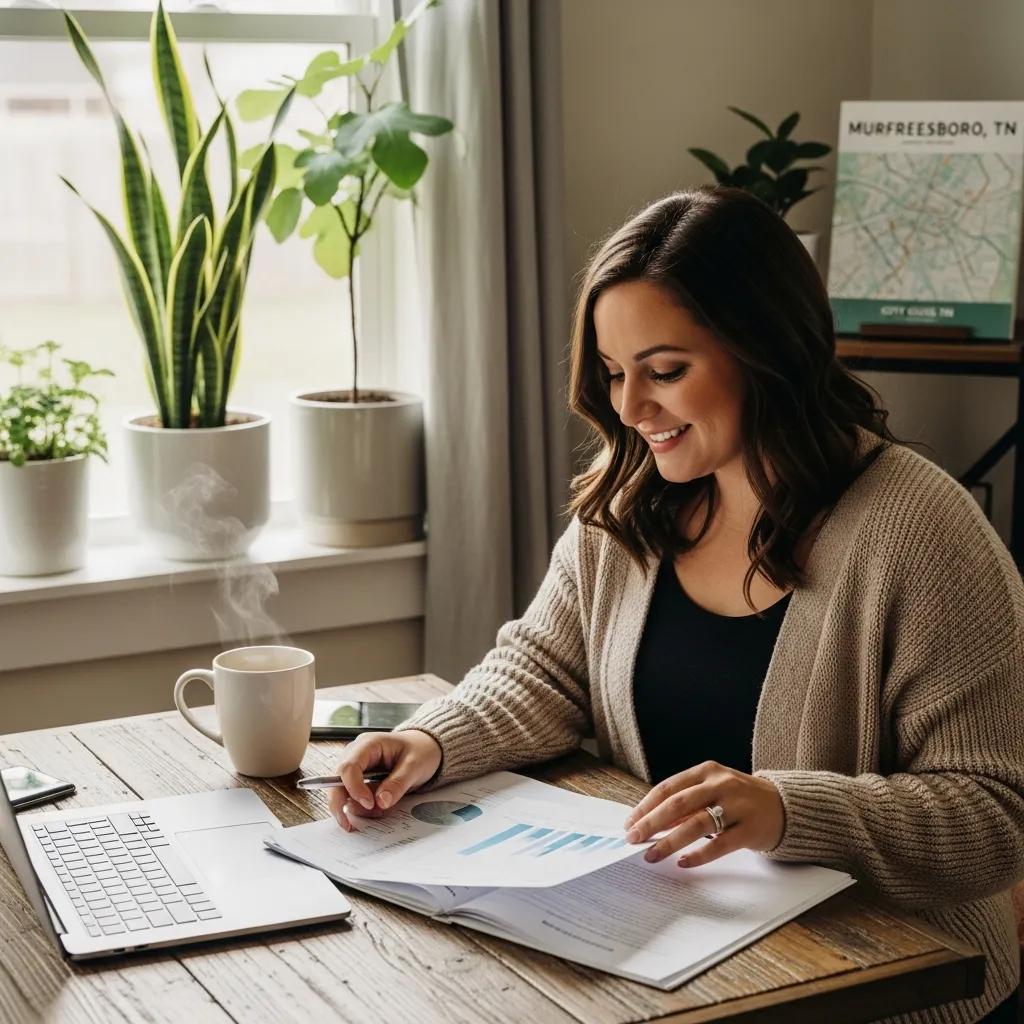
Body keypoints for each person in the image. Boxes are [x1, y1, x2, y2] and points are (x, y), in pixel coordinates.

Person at [328, 187, 1024, 1024]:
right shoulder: (634, 501)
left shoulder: (921, 531)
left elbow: (996, 810)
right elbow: (546, 669)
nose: (629, 408)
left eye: (665, 372)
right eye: (615, 374)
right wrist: (431, 740)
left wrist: (786, 810)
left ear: (768, 351)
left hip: (889, 987)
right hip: (686, 958)